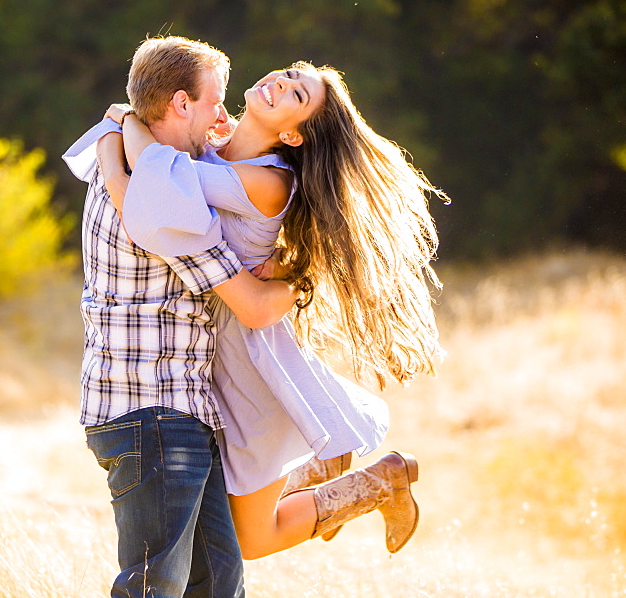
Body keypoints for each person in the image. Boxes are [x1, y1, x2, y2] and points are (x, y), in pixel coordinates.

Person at [94, 60, 447, 561]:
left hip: (248, 372)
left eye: (296, 96)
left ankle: (379, 483)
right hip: (209, 361)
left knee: (249, 540)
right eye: (288, 74)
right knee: (230, 515)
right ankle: (325, 466)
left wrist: (120, 128)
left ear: (294, 135)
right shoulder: (220, 150)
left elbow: (156, 179)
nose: (280, 83)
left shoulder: (266, 180)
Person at [62, 36, 300, 598]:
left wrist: (121, 125)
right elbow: (250, 305)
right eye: (215, 102)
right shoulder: (161, 205)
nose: (225, 117)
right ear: (179, 104)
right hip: (151, 416)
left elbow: (130, 132)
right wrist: (309, 276)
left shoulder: (138, 166)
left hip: (179, 415)